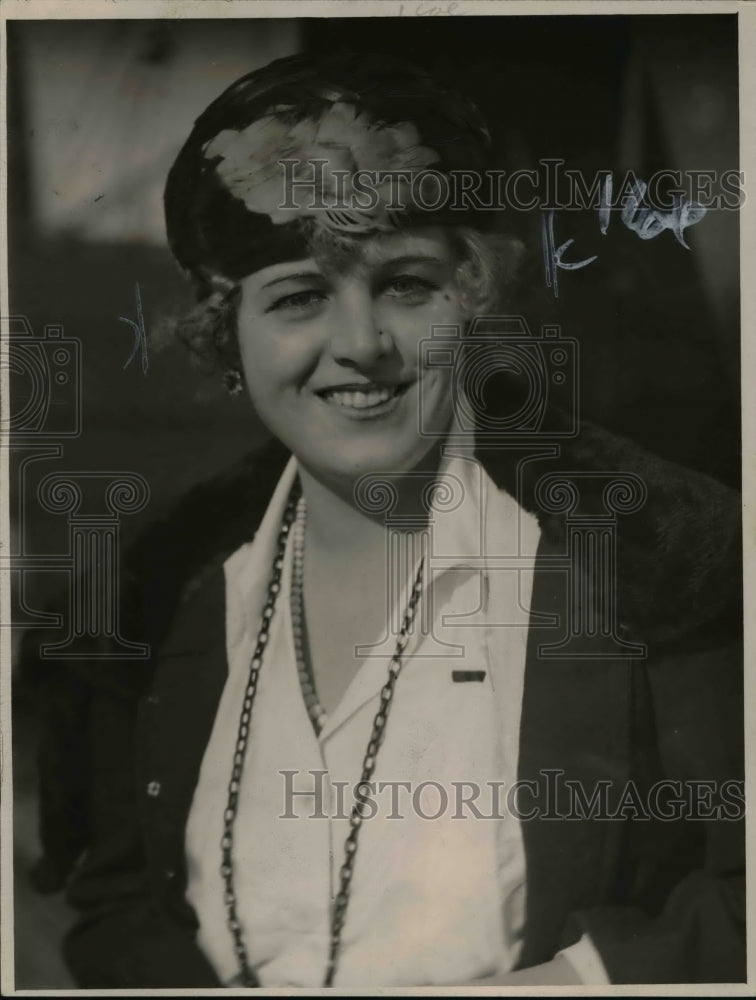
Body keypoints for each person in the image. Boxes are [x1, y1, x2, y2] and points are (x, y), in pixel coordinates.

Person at [36, 51, 743, 988]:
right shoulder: (159, 592)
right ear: (225, 334)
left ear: (474, 298)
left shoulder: (664, 561)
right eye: (299, 297)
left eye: (407, 285)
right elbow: (120, 903)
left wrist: (575, 984)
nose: (361, 345)